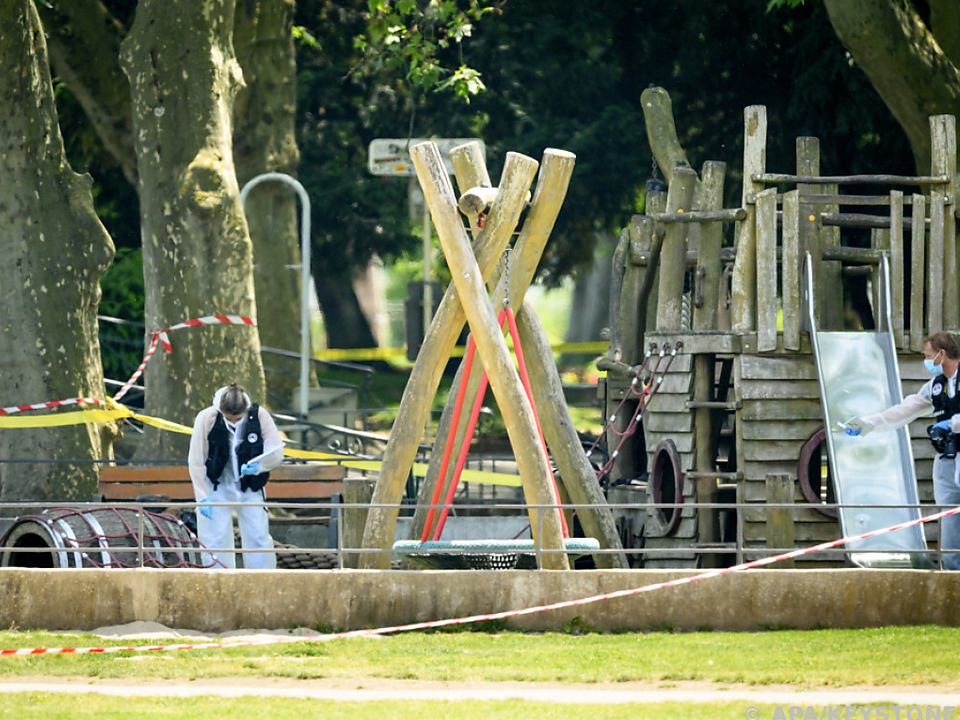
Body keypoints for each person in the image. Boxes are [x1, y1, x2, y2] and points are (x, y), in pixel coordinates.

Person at [844, 331, 960, 570]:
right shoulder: (936, 386)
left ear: (942, 354)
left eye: (929, 356)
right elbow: (904, 411)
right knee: (949, 521)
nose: (926, 361)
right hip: (946, 458)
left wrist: (951, 423)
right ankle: (952, 573)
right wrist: (866, 423)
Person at [188, 383, 284, 569]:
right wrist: (202, 497)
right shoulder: (207, 417)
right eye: (229, 418)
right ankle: (218, 579)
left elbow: (276, 453)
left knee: (257, 534)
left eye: (238, 418)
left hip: (249, 485)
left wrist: (259, 467)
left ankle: (261, 580)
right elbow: (196, 460)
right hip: (216, 485)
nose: (233, 422)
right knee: (214, 538)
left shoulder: (259, 415)